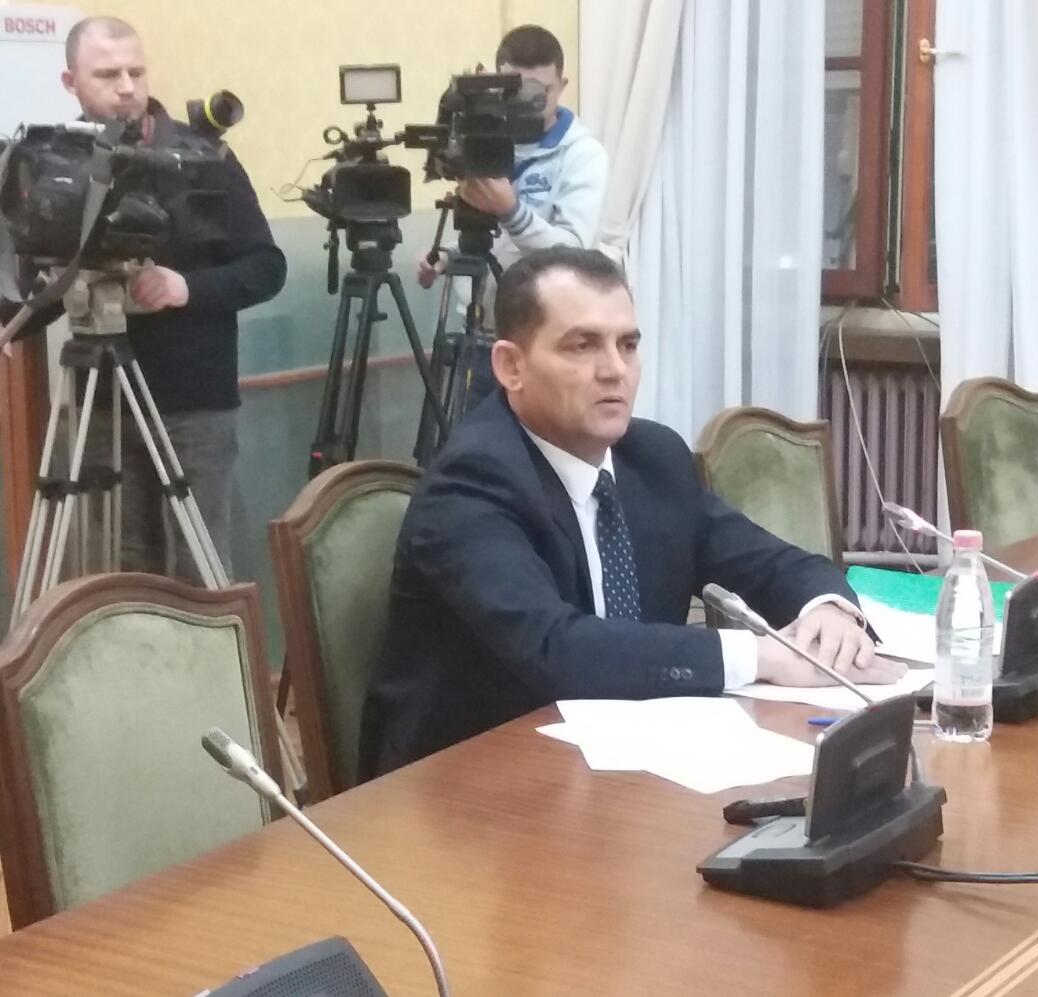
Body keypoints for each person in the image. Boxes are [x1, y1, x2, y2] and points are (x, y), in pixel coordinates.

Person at [359, 247, 905, 777]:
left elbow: (772, 563)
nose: (615, 370)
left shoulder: (653, 458)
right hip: (471, 784)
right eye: (582, 346)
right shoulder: (474, 480)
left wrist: (829, 609)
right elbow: (556, 649)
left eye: (628, 345)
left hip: (630, 763)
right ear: (511, 366)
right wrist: (764, 657)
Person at [52, 16, 286, 580]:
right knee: (121, 570)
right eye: (107, 74)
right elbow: (38, 266)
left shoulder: (203, 157)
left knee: (198, 570)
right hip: (101, 400)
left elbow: (267, 268)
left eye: (136, 71)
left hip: (194, 401)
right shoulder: (58, 161)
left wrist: (187, 288)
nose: (126, 87)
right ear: (71, 82)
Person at [417, 23, 608, 285]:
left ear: (562, 85)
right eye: (519, 92)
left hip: (545, 308)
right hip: (485, 307)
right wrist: (449, 256)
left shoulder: (583, 154)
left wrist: (511, 212)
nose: (530, 104)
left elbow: (574, 254)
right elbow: (496, 241)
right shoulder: (486, 142)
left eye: (542, 91)